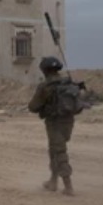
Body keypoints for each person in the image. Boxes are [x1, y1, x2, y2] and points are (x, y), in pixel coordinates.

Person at [28, 56, 77, 196]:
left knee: (59, 151)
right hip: (68, 121)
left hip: (54, 122)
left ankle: (68, 186)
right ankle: (53, 181)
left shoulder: (45, 87)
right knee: (54, 150)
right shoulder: (67, 83)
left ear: (45, 70)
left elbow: (33, 106)